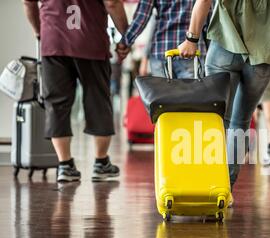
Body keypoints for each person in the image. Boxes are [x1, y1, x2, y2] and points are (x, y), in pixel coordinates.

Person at [178, 0, 270, 187]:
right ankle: (226, 186)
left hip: (224, 47)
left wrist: (192, 39)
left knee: (217, 117)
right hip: (264, 57)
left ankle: (207, 181)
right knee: (241, 122)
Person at [23, 0, 129, 182]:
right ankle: (101, 163)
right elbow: (112, 3)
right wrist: (126, 36)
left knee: (56, 103)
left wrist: (39, 33)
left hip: (54, 43)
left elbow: (28, 2)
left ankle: (64, 165)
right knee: (98, 101)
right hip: (91, 42)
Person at [117, 0, 209, 79]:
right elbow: (208, 12)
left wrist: (125, 42)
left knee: (162, 97)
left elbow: (142, 16)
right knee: (191, 97)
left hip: (161, 50)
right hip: (192, 51)